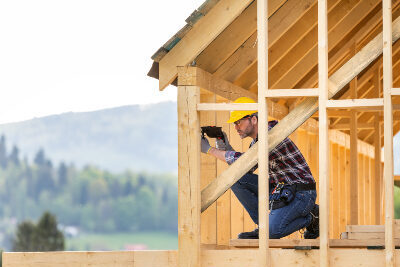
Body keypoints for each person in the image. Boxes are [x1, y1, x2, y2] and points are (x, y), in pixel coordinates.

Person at [200, 97, 319, 239]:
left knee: (272, 233)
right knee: (235, 179)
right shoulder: (257, 141)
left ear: (254, 119)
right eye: (234, 124)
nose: (236, 127)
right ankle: (262, 227)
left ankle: (312, 217)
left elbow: (244, 161)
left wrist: (210, 150)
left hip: (302, 193)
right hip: (282, 189)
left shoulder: (271, 135)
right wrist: (226, 148)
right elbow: (246, 168)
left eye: (238, 122)